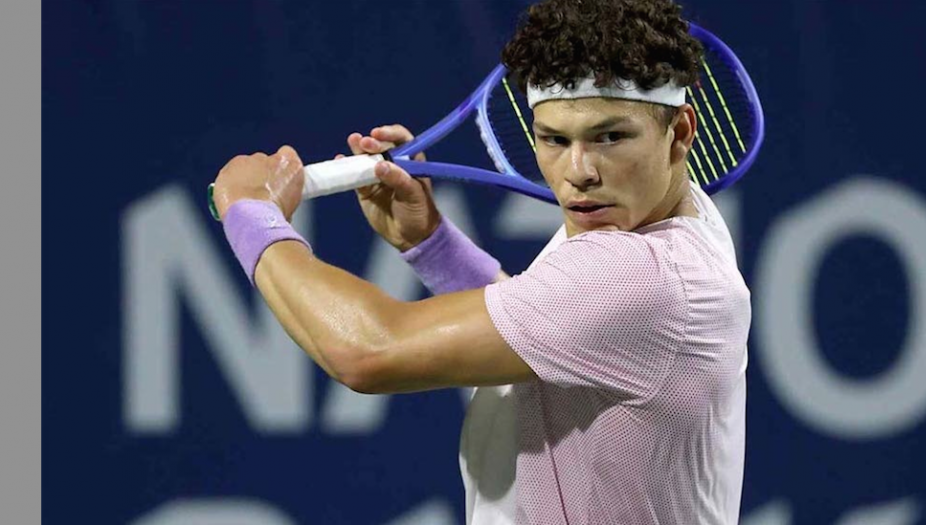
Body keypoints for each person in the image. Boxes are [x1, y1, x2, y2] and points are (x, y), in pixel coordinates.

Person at [209, 0, 751, 522]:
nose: (578, 171)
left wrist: (252, 214)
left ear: (680, 132)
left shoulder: (644, 275)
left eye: (610, 137)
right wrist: (432, 244)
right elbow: (546, 335)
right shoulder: (662, 221)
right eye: (554, 139)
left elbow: (369, 352)